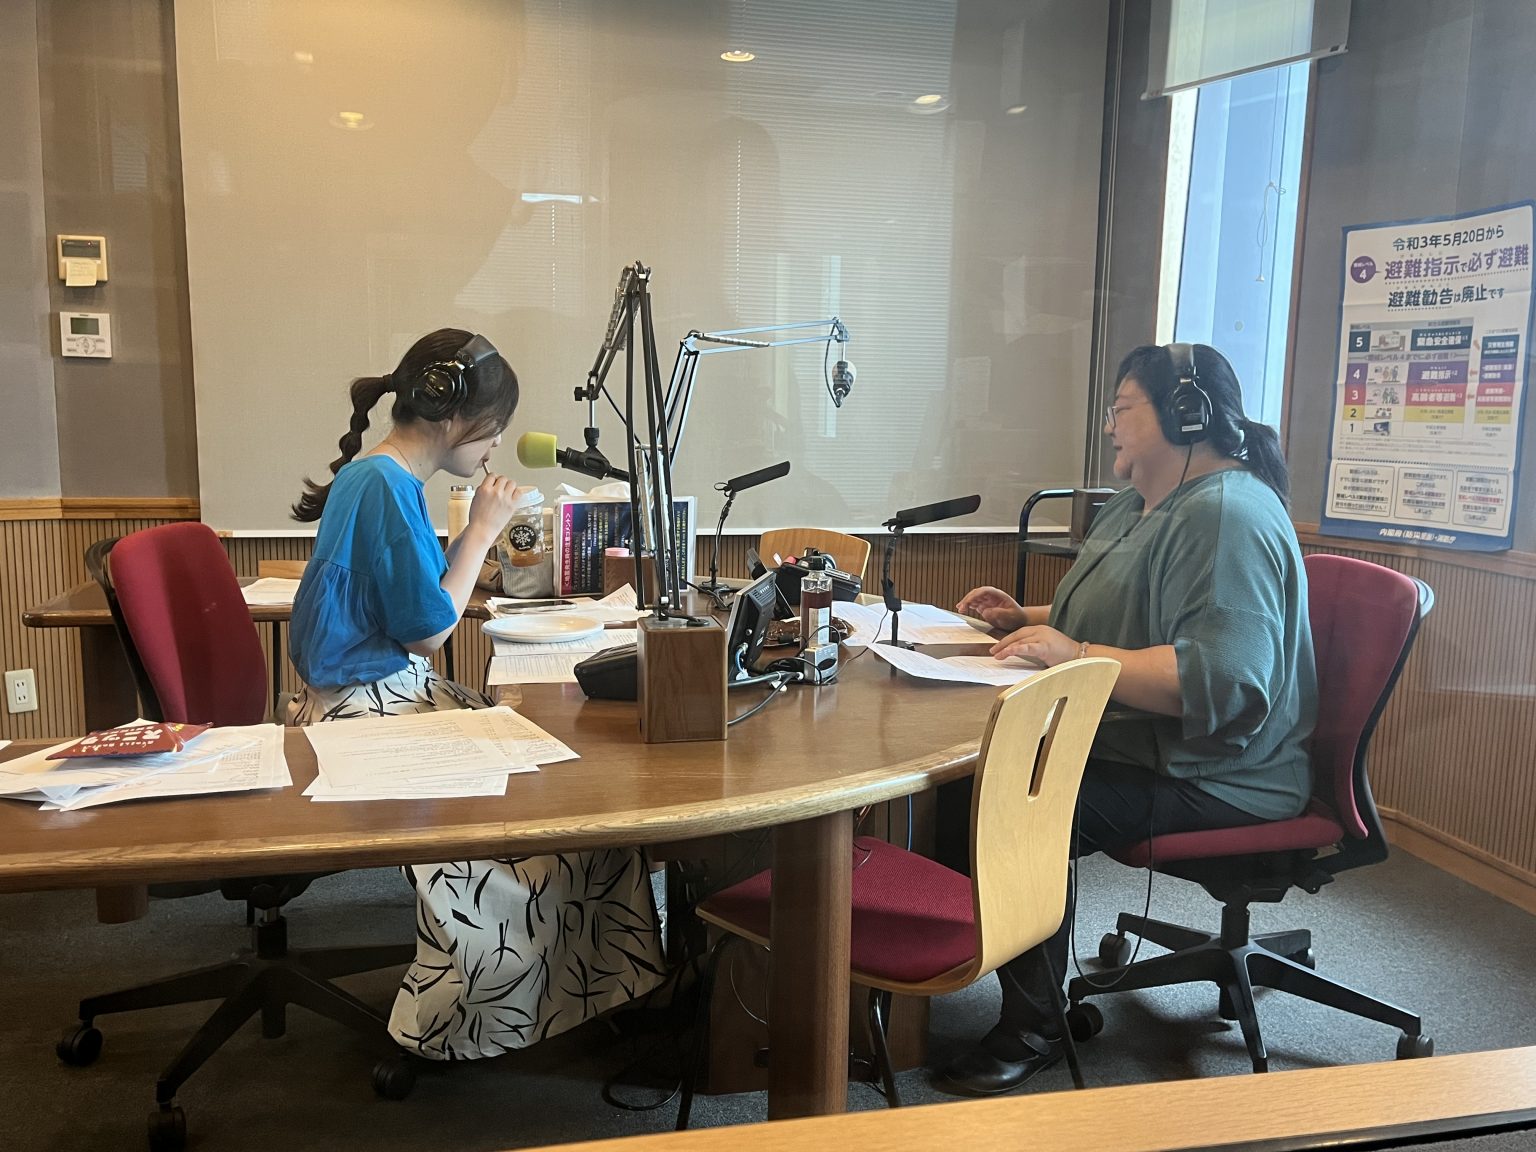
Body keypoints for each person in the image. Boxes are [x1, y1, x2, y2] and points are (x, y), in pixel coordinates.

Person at [938, 343, 1317, 1095]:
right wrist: (1030, 619)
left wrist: (1074, 652)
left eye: (1122, 409)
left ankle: (1036, 1025)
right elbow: (1121, 613)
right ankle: (1006, 987)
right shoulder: (1138, 503)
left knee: (1014, 805)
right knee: (974, 793)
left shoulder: (1227, 518)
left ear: (1186, 415)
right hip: (1143, 745)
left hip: (1223, 773)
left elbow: (1224, 682)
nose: (1109, 425)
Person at [287, 328, 664, 1060]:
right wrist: (485, 531)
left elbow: (423, 596)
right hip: (365, 710)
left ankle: (592, 990)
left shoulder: (384, 479)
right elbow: (430, 628)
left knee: (562, 786)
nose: (494, 448)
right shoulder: (383, 486)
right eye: (493, 430)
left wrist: (476, 538)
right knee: (549, 834)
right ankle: (458, 1020)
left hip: (379, 694)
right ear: (456, 417)